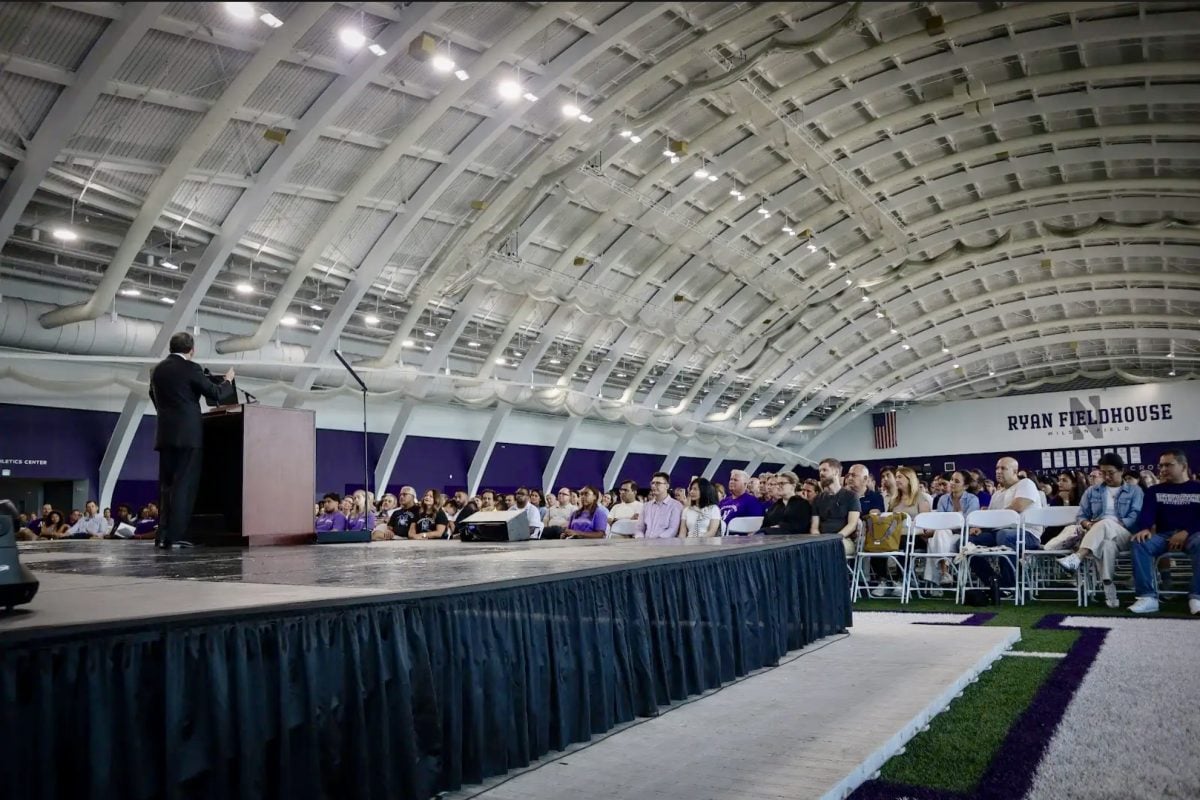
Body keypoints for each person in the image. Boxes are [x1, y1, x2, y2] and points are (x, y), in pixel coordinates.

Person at [149, 331, 235, 549]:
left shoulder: (157, 370)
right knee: (183, 487)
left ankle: (162, 535)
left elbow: (153, 396)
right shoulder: (191, 368)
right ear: (191, 350)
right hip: (188, 436)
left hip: (165, 435)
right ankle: (175, 537)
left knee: (166, 487)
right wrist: (227, 381)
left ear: (171, 347)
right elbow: (215, 393)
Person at [1048, 453, 1142, 608]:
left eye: (1110, 473)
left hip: (1125, 534)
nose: (1106, 476)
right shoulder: (1092, 491)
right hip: (1098, 535)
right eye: (1103, 473)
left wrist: (1110, 522)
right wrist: (1088, 525)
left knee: (1105, 523)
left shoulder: (1134, 491)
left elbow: (1135, 516)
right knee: (1105, 545)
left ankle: (1077, 557)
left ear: (1121, 471)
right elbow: (1081, 516)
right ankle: (1109, 590)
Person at [1128, 449, 1200, 615]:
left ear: (1184, 466)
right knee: (1139, 542)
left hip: (1193, 535)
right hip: (1163, 536)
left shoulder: (1197, 488)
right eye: (1161, 466)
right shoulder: (1154, 491)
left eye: (1168, 465)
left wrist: (1186, 532)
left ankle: (1196, 597)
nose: (1163, 469)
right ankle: (1147, 597)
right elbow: (1147, 514)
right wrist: (1144, 528)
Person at [966, 457, 1044, 593]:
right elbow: (990, 519)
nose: (998, 471)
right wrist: (980, 527)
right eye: (997, 468)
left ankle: (1009, 585)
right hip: (999, 533)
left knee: (1004, 535)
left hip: (1027, 533)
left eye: (1003, 468)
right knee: (968, 543)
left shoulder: (1026, 484)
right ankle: (994, 582)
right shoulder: (997, 494)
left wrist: (992, 517)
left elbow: (1018, 507)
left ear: (1015, 471)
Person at [928, 470, 980, 586]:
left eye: (956, 481)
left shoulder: (972, 500)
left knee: (933, 542)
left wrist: (951, 524)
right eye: (951, 480)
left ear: (965, 486)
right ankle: (944, 572)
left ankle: (938, 580)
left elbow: (968, 523)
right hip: (945, 533)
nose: (952, 483)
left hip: (962, 535)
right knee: (940, 534)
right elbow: (940, 521)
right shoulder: (943, 499)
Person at [810, 458, 861, 556]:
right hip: (822, 541)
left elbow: (852, 525)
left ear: (836, 472)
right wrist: (818, 540)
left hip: (844, 540)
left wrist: (835, 539)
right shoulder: (818, 499)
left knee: (829, 550)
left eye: (825, 470)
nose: (821, 473)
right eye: (820, 471)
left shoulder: (851, 496)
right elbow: (814, 527)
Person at [641, 472, 683, 539]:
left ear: (667, 486)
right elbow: (639, 528)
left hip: (664, 545)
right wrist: (640, 539)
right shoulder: (646, 506)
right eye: (652, 483)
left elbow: (673, 530)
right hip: (644, 544)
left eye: (658, 483)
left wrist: (656, 541)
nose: (654, 486)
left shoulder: (676, 505)